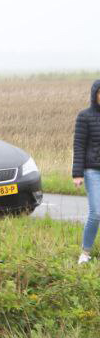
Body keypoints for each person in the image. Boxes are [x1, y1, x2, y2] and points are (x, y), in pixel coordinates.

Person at [72, 79, 100, 264]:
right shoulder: (85, 116)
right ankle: (85, 253)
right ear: (95, 94)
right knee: (96, 213)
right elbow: (79, 145)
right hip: (92, 171)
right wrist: (77, 173)